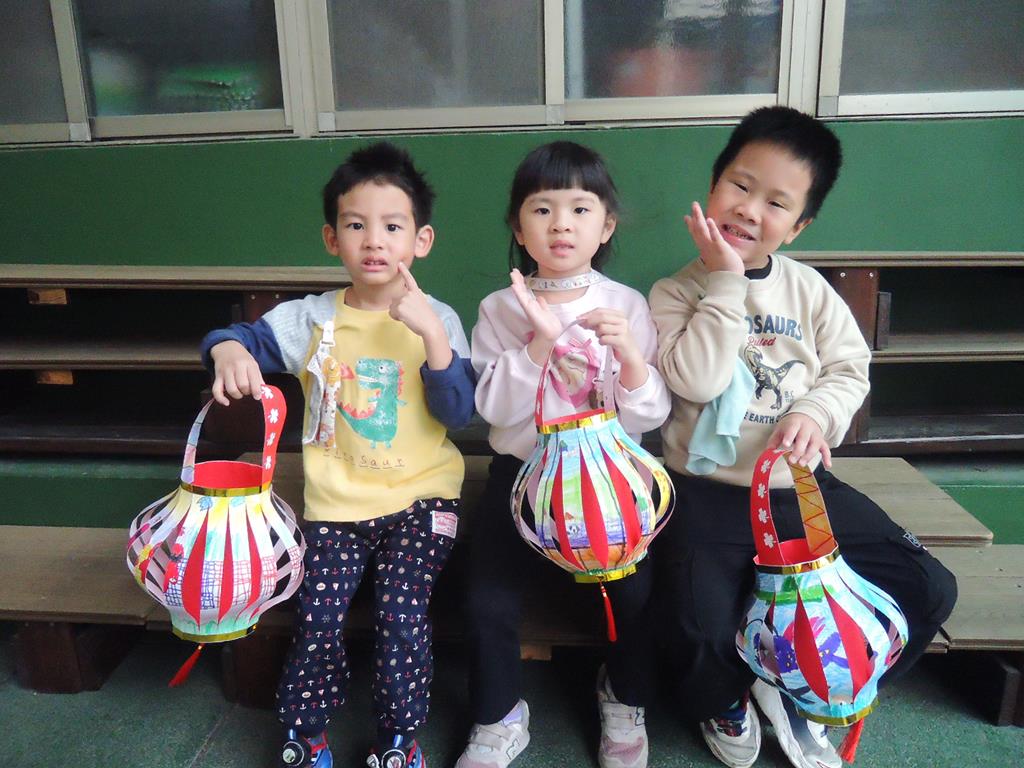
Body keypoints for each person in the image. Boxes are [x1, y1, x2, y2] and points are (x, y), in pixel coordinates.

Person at [647, 106, 958, 768]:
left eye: (776, 202)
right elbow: (697, 381)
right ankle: (728, 698)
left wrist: (815, 413)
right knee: (695, 626)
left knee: (929, 587)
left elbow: (849, 368)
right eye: (739, 185)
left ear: (798, 226)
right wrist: (726, 281)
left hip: (801, 486)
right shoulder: (674, 292)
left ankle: (804, 688)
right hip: (706, 490)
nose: (749, 209)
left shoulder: (809, 291)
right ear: (713, 184)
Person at [199, 142, 476, 768]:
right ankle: (305, 733)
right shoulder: (312, 319)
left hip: (423, 501)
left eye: (392, 226)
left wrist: (432, 335)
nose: (374, 240)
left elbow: (459, 413)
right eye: (355, 225)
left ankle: (399, 739)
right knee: (318, 618)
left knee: (401, 619)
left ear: (421, 241)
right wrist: (227, 350)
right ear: (332, 238)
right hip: (335, 507)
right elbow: (236, 337)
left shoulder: (439, 318)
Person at [458, 141, 672, 768]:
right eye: (542, 209)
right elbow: (493, 409)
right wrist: (537, 346)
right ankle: (499, 714)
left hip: (609, 482)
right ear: (518, 227)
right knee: (487, 596)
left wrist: (629, 356)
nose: (561, 224)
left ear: (605, 226)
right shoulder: (500, 307)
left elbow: (648, 416)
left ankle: (624, 696)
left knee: (636, 594)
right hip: (522, 480)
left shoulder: (626, 304)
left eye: (580, 209)